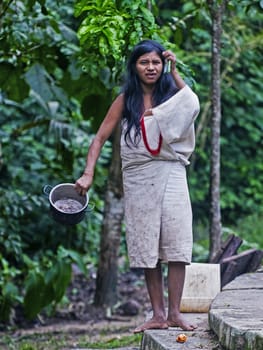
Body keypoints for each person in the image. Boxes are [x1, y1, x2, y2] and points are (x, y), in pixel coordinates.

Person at [75, 39, 200, 332]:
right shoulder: (124, 100)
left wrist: (175, 70)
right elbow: (99, 139)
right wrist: (88, 174)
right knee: (147, 244)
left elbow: (192, 103)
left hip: (171, 172)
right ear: (134, 66)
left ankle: (174, 313)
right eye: (144, 62)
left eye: (156, 62)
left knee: (176, 240)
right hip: (138, 179)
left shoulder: (173, 94)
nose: (151, 67)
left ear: (163, 64)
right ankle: (157, 315)